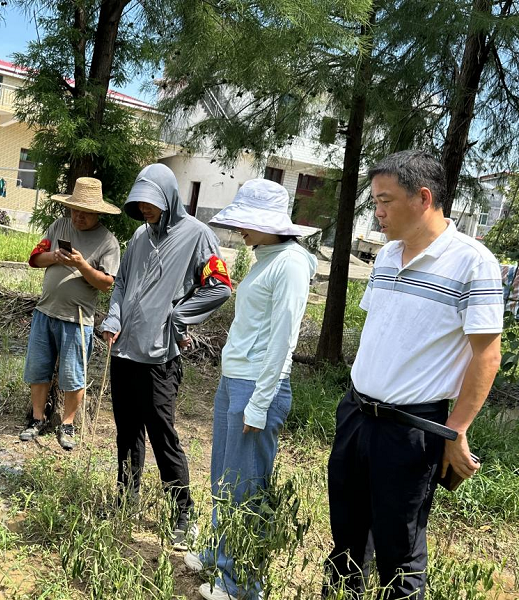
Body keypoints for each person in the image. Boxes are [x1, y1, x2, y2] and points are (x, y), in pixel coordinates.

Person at [323, 151, 503, 599]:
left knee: (398, 552)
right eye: (374, 201)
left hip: (410, 428)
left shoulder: (472, 262)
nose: (377, 212)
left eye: (385, 201)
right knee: (345, 539)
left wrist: (455, 429)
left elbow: (487, 355)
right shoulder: (385, 256)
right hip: (357, 414)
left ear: (423, 198)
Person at [182, 179, 317, 600]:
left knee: (247, 487)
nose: (241, 229)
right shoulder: (265, 256)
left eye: (247, 222)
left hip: (259, 386)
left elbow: (283, 338)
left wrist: (259, 404)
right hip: (234, 382)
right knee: (225, 478)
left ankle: (240, 581)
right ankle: (219, 555)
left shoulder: (291, 263)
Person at [101, 163, 232, 548]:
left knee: (163, 437)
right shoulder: (140, 236)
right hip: (125, 352)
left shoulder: (197, 235)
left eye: (152, 202)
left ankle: (182, 515)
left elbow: (219, 286)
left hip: (160, 359)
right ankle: (127, 500)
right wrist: (113, 316)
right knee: (127, 432)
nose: (145, 209)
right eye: (139, 203)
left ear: (170, 198)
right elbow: (122, 282)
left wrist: (179, 316)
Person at [20, 177, 121, 450]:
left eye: (85, 213)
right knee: (38, 369)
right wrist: (54, 257)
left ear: (97, 213)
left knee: (73, 375)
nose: (78, 217)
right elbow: (34, 259)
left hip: (77, 320)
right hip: (45, 311)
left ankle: (67, 425)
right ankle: (37, 419)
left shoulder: (108, 242)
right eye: (75, 210)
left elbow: (106, 283)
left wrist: (82, 265)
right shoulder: (59, 226)